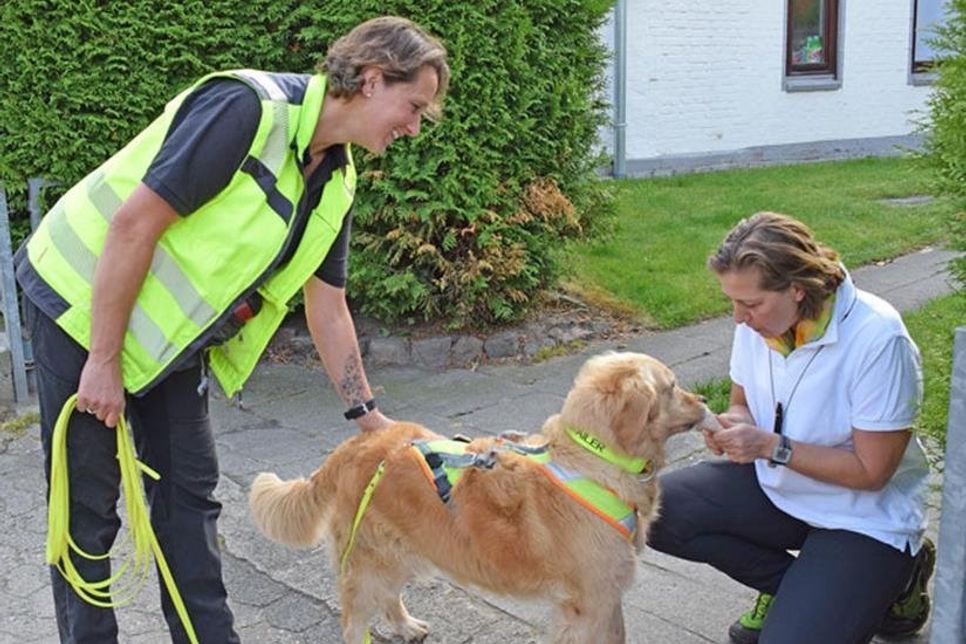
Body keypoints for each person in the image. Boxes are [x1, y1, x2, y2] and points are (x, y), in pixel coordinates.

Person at [15, 15, 449, 643]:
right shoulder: (247, 110)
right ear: (374, 79)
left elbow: (328, 306)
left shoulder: (338, 184)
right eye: (413, 107)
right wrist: (103, 361)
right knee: (87, 512)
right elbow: (134, 226)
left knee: (188, 503)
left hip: (166, 345)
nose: (413, 126)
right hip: (80, 308)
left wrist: (369, 417)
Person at [647, 212, 934, 644]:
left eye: (750, 303)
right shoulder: (760, 322)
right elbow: (742, 403)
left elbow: (872, 474)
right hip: (781, 490)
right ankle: (802, 591)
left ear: (797, 289)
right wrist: (736, 424)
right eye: (733, 301)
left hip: (862, 516)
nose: (738, 317)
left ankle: (894, 584)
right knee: (653, 513)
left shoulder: (879, 339)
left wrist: (771, 446)